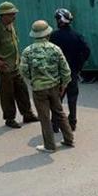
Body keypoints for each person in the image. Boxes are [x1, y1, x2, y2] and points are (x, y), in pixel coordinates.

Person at [0, 1, 38, 128]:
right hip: (5, 68)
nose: (14, 16)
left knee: (22, 91)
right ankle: (9, 118)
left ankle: (27, 114)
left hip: (16, 66)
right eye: (11, 14)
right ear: (3, 15)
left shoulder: (11, 25)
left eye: (14, 14)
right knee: (7, 94)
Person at [20, 20, 74, 153]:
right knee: (59, 113)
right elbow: (65, 70)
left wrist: (33, 79)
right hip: (55, 87)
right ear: (47, 33)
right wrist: (64, 85)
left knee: (44, 117)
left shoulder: (28, 51)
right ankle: (69, 139)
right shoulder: (55, 49)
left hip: (39, 89)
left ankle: (49, 146)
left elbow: (23, 71)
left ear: (34, 34)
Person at [49, 8, 91, 131]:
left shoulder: (54, 36)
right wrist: (79, 66)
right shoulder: (77, 36)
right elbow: (86, 51)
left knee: (57, 99)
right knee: (72, 99)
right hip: (72, 72)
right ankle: (72, 123)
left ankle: (55, 124)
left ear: (60, 20)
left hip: (57, 74)